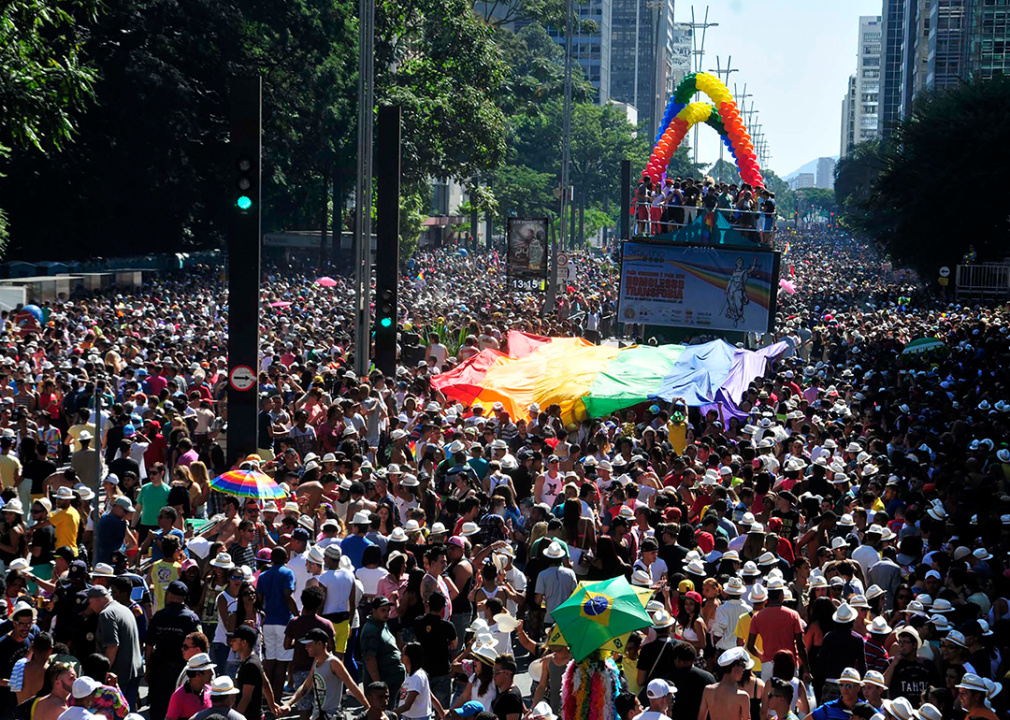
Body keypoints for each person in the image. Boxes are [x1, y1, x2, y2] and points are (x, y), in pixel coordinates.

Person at [278, 627, 370, 719]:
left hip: (332, 716)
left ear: (319, 644)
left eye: (309, 644)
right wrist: (289, 704)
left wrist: (368, 707)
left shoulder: (334, 663)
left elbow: (352, 686)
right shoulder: (316, 662)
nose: (306, 648)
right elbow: (306, 687)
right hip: (318, 715)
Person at [145, 579, 202, 720]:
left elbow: (149, 645)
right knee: (180, 708)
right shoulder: (191, 618)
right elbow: (200, 645)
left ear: (169, 595)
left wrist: (148, 668)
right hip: (182, 671)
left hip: (159, 669)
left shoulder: (158, 616)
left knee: (158, 709)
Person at [88, 585, 143, 710]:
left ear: (97, 600)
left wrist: (104, 673)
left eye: (90, 602)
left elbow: (112, 645)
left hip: (119, 674)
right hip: (134, 670)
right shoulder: (124, 609)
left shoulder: (106, 614)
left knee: (117, 712)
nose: (90, 607)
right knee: (128, 711)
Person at [256, 546, 297, 699]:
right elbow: (288, 596)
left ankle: (264, 698)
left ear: (271, 559)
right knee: (282, 663)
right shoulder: (287, 573)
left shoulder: (263, 575)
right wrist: (298, 616)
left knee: (269, 661)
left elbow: (259, 600)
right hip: (283, 622)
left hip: (267, 623)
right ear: (286, 558)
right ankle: (276, 699)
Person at [411, 591, 457, 709]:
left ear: (428, 604)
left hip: (422, 670)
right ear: (444, 607)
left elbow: (414, 639)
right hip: (441, 670)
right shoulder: (447, 626)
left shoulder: (417, 621)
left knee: (421, 707)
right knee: (441, 709)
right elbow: (454, 645)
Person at [360, 597, 405, 706]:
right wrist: (379, 686)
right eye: (383, 610)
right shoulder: (371, 631)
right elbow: (370, 659)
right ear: (374, 611)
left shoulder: (382, 624)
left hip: (394, 680)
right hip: (384, 683)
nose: (387, 613)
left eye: (388, 610)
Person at [230, 623, 279, 720]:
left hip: (249, 716)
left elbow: (246, 698)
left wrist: (234, 718)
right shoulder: (254, 660)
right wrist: (272, 704)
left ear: (244, 643)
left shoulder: (250, 665)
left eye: (234, 640)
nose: (231, 642)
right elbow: (265, 683)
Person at [697, 647, 752, 720]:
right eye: (743, 666)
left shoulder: (708, 690)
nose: (743, 671)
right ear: (735, 668)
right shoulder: (742, 696)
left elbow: (701, 718)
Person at [165, 653, 215, 720]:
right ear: (198, 675)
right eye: (209, 670)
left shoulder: (211, 691)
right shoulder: (178, 696)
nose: (212, 673)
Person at [490, 654, 524, 720]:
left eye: (496, 672)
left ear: (507, 674)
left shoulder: (511, 697)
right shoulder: (508, 692)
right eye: (493, 672)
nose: (493, 675)